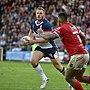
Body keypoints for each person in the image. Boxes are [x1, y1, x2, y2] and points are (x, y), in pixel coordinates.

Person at [27, 12, 90, 90]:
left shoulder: (62, 28)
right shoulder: (73, 26)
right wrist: (82, 47)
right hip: (85, 54)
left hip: (78, 56)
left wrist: (42, 34)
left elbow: (50, 37)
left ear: (59, 20)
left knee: (68, 78)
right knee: (79, 78)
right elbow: (83, 37)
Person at [27, 7, 66, 89]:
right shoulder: (33, 23)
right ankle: (44, 79)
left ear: (44, 15)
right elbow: (31, 31)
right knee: (33, 61)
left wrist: (33, 42)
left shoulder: (46, 24)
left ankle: (70, 80)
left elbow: (46, 40)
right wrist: (28, 38)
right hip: (41, 47)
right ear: (35, 14)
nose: (39, 15)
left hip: (50, 48)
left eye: (41, 13)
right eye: (37, 13)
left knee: (59, 67)